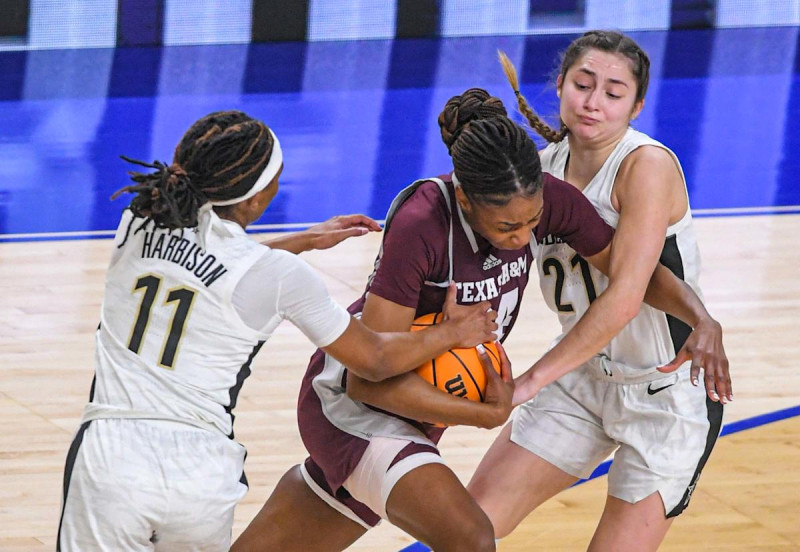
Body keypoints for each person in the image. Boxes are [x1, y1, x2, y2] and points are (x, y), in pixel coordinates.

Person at [233, 89, 726, 552]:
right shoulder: (423, 220)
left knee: (310, 520)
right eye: (507, 226)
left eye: (532, 223)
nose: (522, 237)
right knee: (470, 536)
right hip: (351, 404)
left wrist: (700, 317)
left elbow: (631, 273)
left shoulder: (545, 198)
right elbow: (368, 380)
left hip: (419, 406)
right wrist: (479, 402)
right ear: (466, 199)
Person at [56, 110, 500, 552]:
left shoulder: (142, 217)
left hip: (113, 456)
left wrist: (303, 240)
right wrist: (451, 333)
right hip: (200, 475)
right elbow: (375, 359)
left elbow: (206, 269)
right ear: (254, 201)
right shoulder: (279, 275)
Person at [467, 32, 731, 551]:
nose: (593, 102)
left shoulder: (645, 166)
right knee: (463, 530)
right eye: (583, 85)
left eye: (613, 92)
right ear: (561, 86)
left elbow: (626, 296)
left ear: (636, 106)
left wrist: (528, 381)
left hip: (665, 395)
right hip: (581, 379)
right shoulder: (537, 171)